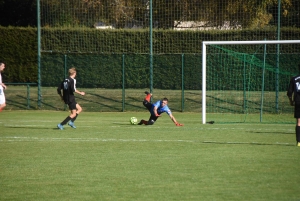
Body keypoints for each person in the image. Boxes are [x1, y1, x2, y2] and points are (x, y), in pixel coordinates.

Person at [287, 64, 300, 146]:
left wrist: (291, 101)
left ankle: (299, 141)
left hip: (298, 101)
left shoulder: (294, 79)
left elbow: (289, 93)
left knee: (299, 122)